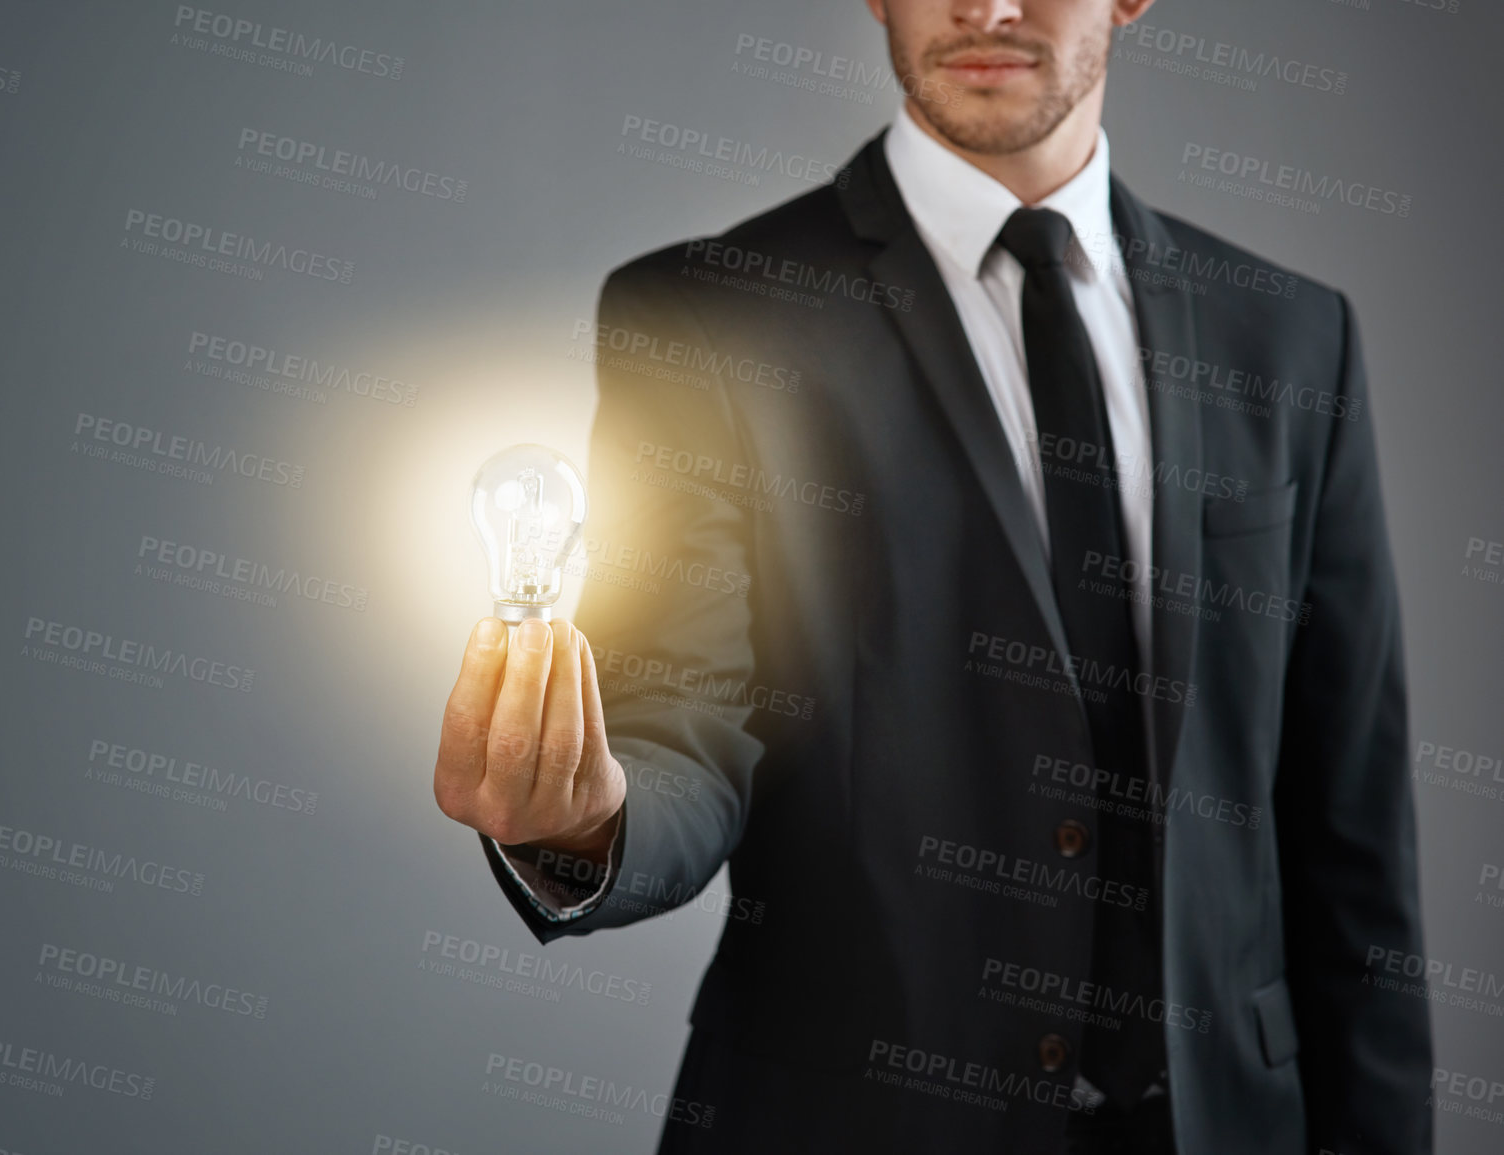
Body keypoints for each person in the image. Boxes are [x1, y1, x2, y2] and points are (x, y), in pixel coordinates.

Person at [432, 1, 1432, 1150]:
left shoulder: (1295, 340)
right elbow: (680, 721)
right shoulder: (707, 319)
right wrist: (587, 820)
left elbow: (1349, 831)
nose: (986, 8)